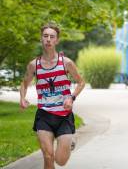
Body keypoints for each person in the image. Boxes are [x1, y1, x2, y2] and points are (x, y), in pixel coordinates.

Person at [20, 22, 85, 169]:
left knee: (60, 161)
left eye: (52, 36)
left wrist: (71, 97)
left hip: (64, 116)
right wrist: (22, 98)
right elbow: (24, 83)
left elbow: (81, 82)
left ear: (57, 40)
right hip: (44, 115)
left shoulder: (66, 63)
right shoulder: (33, 65)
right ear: (41, 39)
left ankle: (69, 143)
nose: (48, 39)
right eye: (45, 36)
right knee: (48, 155)